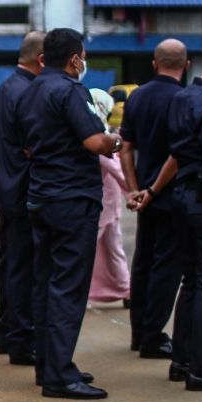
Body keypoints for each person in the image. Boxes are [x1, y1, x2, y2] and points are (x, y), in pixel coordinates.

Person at [18, 28, 121, 400]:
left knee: (46, 283)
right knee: (68, 288)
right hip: (72, 198)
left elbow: (23, 143)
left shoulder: (30, 89)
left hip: (42, 194)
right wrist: (116, 140)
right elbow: (95, 142)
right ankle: (60, 375)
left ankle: (50, 366)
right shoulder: (70, 90)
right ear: (75, 58)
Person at [120, 39, 189, 360]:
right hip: (170, 194)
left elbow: (125, 147)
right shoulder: (185, 99)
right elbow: (178, 155)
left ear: (154, 63)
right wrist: (154, 191)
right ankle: (152, 335)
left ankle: (138, 331)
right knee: (168, 267)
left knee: (143, 262)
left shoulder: (138, 96)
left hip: (144, 193)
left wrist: (135, 189)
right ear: (186, 66)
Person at [0, 32, 44, 364]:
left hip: (8, 189)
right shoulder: (27, 91)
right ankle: (21, 339)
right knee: (23, 268)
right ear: (41, 59)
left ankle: (7, 332)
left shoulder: (9, 86)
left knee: (11, 266)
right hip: (22, 191)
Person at [164, 57, 202, 390]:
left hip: (182, 195)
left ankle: (182, 361)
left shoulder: (183, 97)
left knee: (193, 280)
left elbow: (178, 153)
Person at [87, 89, 131, 306]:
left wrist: (134, 191)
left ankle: (78, 291)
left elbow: (114, 168)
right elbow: (116, 169)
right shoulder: (101, 133)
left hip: (102, 202)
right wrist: (134, 191)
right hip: (108, 201)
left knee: (86, 250)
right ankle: (126, 289)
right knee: (113, 247)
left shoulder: (96, 134)